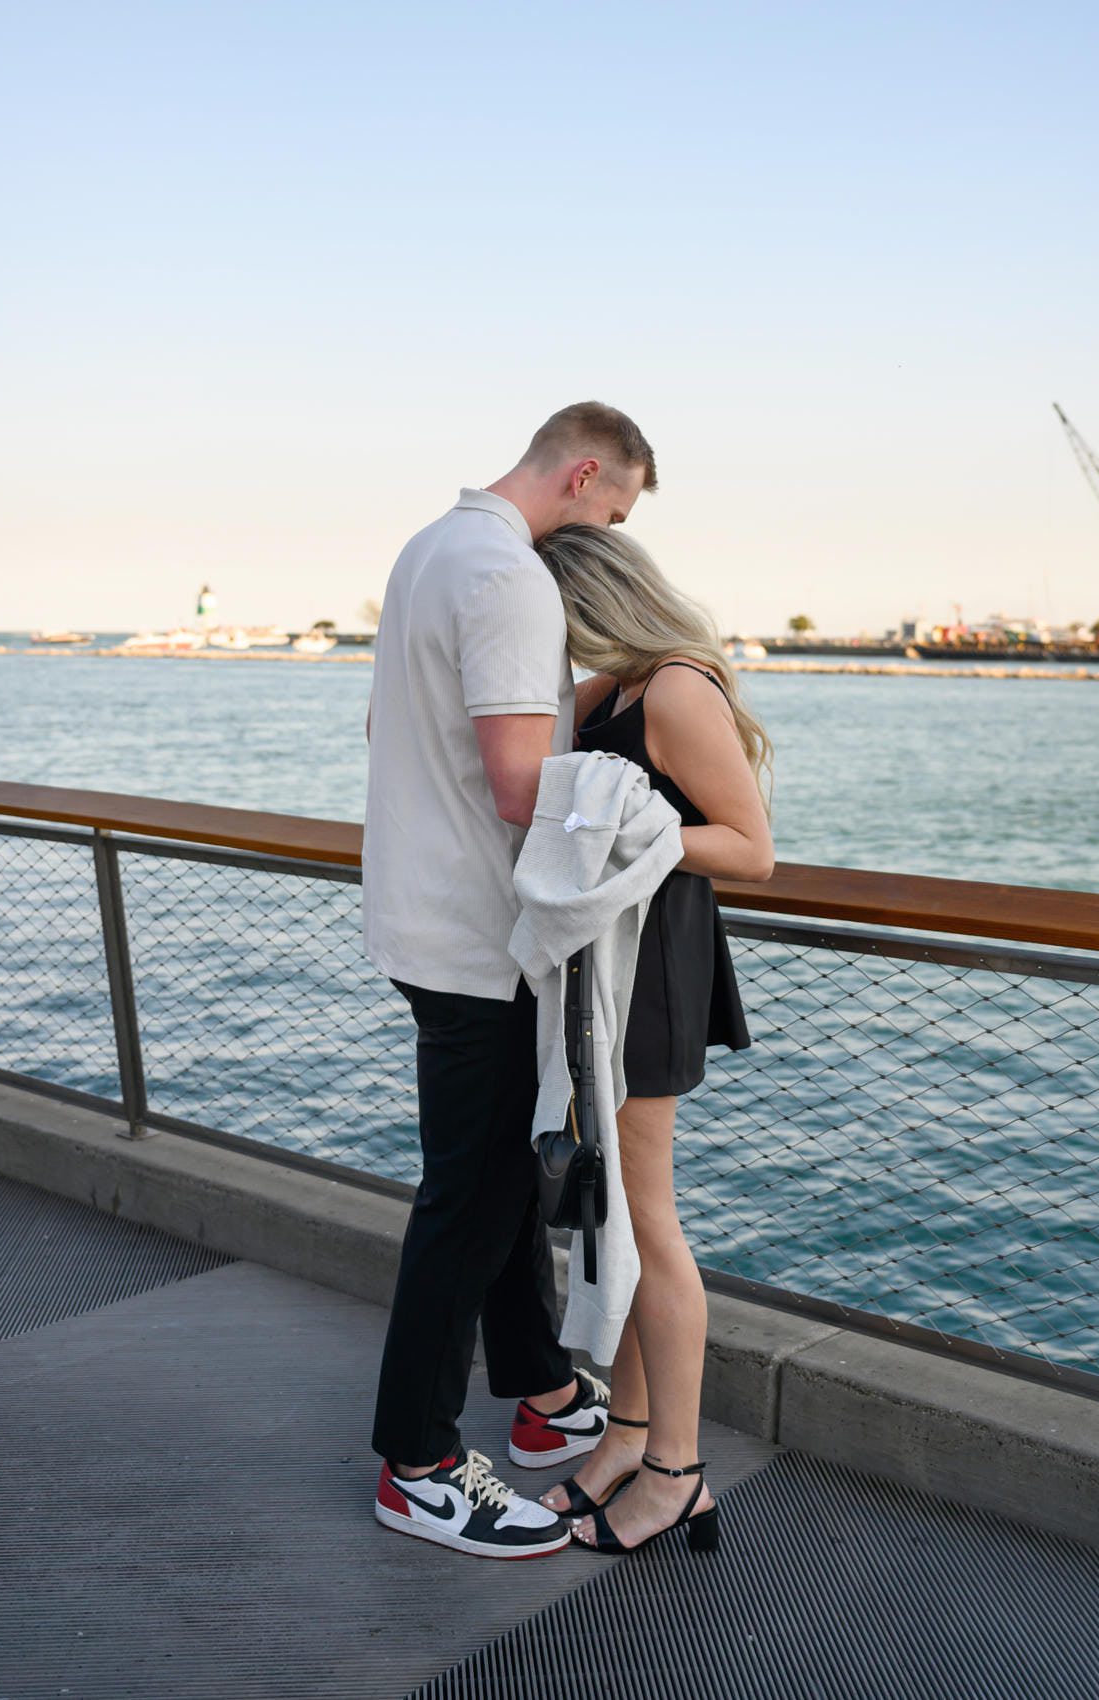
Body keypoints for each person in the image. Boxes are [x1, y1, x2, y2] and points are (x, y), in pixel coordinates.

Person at [362, 403, 657, 1559]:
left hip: (421, 920)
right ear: (583, 472)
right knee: (475, 1195)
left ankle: (537, 1388)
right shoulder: (508, 575)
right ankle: (417, 1461)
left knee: (500, 1177)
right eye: (615, 512)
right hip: (478, 943)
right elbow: (520, 787)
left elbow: (392, 722)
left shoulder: (430, 548)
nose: (610, 545)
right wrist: (655, 819)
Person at [531, 523, 775, 1556]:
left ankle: (676, 1468)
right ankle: (626, 1430)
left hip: (655, 970)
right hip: (605, 967)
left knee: (646, 1217)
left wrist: (631, 833)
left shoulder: (675, 690)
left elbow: (751, 847)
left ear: (594, 605)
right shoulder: (607, 693)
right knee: (615, 1221)